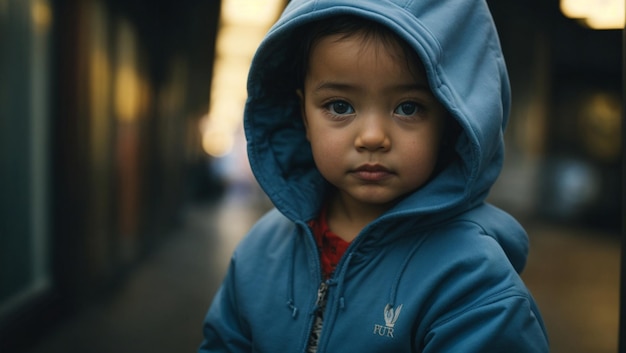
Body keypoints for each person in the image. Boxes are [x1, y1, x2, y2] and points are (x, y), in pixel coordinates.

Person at [199, 0, 549, 352]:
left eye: (408, 108)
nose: (372, 137)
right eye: (340, 106)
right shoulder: (260, 252)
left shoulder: (471, 281)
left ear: (451, 121)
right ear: (303, 115)